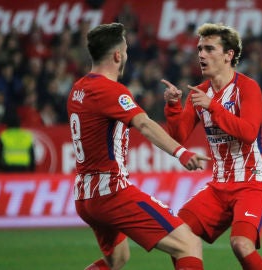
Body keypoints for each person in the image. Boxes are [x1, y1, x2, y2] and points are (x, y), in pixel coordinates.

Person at [66, 23, 208, 270]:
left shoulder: (78, 89)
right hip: (111, 192)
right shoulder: (110, 90)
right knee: (188, 244)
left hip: (85, 195)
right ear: (118, 55)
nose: (127, 57)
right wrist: (181, 152)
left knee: (118, 259)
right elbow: (143, 123)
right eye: (126, 51)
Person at [162, 23, 262, 270]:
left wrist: (213, 106)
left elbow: (248, 132)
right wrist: (173, 106)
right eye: (200, 48)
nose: (201, 54)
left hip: (252, 181)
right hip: (219, 184)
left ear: (228, 55)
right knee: (177, 235)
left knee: (241, 244)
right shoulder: (198, 93)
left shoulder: (247, 88)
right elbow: (178, 136)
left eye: (209, 49)